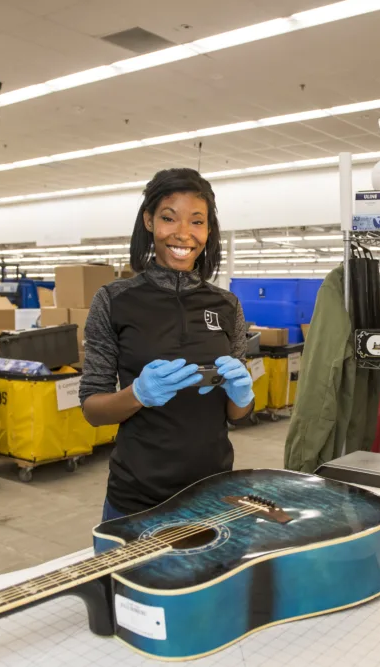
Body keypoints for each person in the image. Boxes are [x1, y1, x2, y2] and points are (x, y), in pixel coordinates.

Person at [79, 168, 255, 522]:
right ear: (148, 221)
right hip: (136, 498)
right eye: (169, 218)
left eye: (197, 222)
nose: (183, 234)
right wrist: (138, 394)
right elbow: (92, 410)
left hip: (214, 494)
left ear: (208, 230)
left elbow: (238, 416)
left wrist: (244, 396)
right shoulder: (114, 300)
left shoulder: (226, 305)